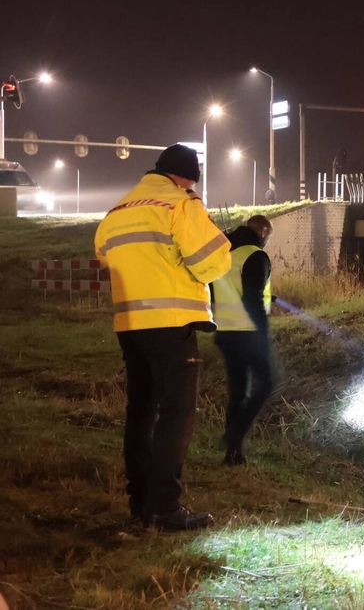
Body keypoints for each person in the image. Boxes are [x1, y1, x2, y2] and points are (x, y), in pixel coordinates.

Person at [95, 144, 231, 531]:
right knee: (176, 413)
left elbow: (104, 255)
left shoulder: (118, 211)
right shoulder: (180, 204)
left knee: (141, 411)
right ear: (186, 179)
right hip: (171, 324)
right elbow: (212, 262)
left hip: (129, 325)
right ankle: (165, 507)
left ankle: (140, 502)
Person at [211, 215, 279, 466]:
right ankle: (236, 432)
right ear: (263, 232)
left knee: (239, 392)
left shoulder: (226, 254)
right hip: (248, 334)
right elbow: (251, 299)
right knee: (269, 383)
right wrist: (263, 333)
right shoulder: (256, 255)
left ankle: (233, 454)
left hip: (226, 332)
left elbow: (222, 290)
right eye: (268, 237)